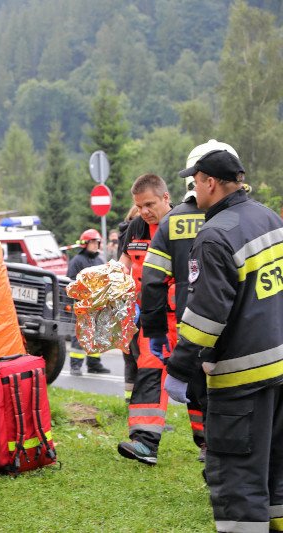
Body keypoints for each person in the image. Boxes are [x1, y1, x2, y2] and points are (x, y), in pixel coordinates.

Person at [164, 149, 283, 531]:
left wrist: (179, 369)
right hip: (280, 370)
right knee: (276, 470)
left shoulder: (215, 235)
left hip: (241, 379)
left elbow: (205, 318)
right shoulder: (269, 217)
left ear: (210, 182)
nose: (193, 190)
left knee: (238, 479)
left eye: (195, 181)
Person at [141, 140, 239, 464]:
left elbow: (152, 281)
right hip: (237, 326)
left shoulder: (171, 222)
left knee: (198, 389)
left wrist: (154, 331)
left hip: (189, 326)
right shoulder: (244, 220)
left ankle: (209, 448)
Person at [116, 173, 172, 465]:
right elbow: (125, 261)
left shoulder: (180, 226)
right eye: (139, 206)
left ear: (166, 198)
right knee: (149, 373)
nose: (144, 212)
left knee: (201, 381)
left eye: (149, 204)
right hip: (150, 318)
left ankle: (209, 444)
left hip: (184, 318)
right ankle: (145, 442)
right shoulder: (136, 227)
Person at [67, 229, 109, 376]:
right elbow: (71, 282)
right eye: (92, 242)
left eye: (97, 242)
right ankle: (75, 366)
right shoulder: (77, 261)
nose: (95, 245)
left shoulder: (99, 260)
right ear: (85, 244)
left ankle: (94, 365)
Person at [118, 206, 141, 403]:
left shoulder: (124, 236)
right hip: (133, 306)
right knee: (137, 356)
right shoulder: (132, 237)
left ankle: (130, 401)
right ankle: (135, 401)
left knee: (130, 356)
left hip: (129, 307)